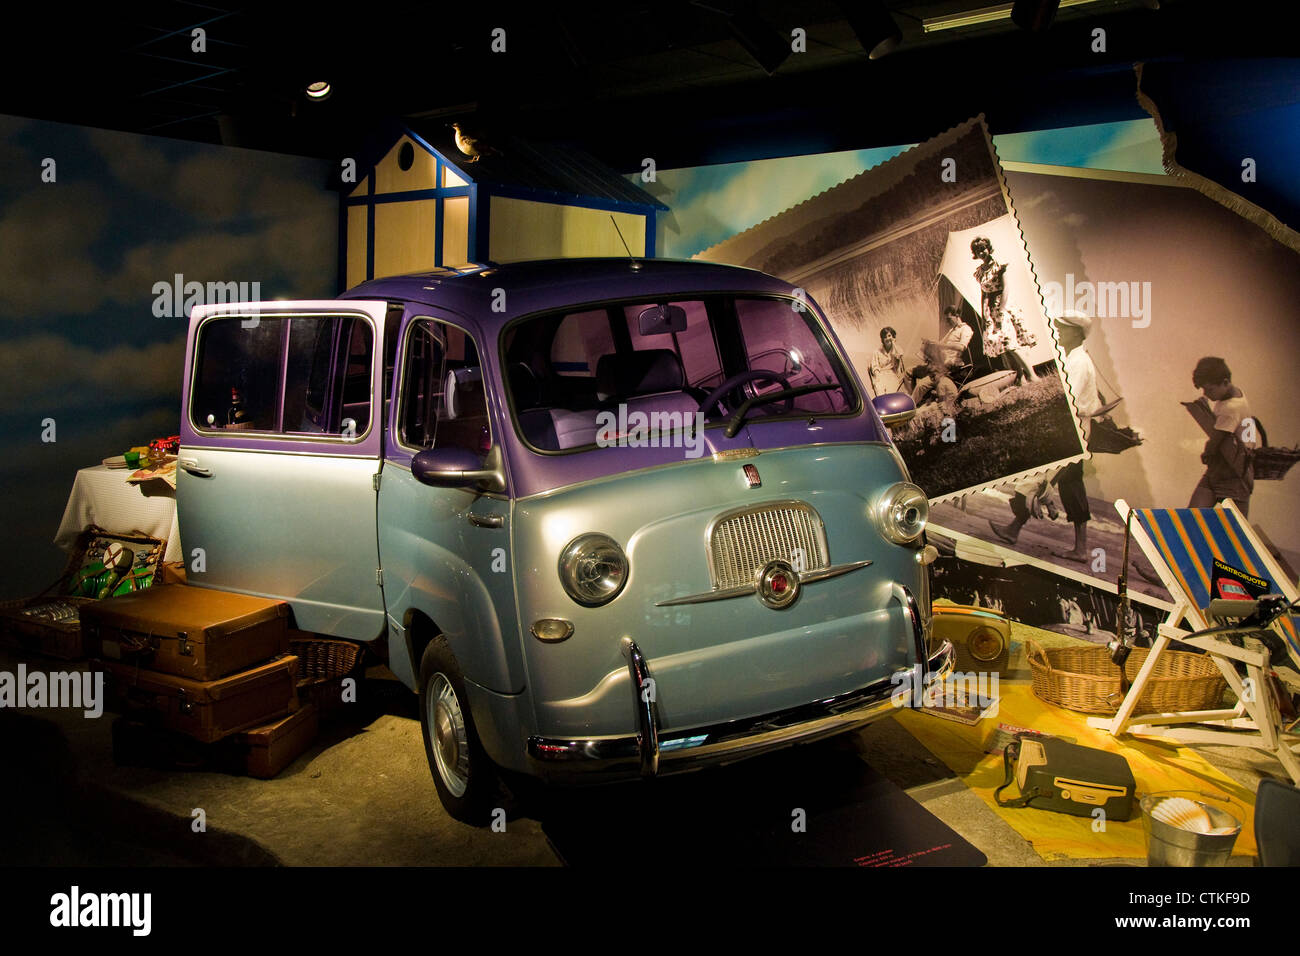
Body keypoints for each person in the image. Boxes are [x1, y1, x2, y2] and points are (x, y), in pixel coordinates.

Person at [989, 311, 1098, 560]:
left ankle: (1017, 529)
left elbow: (1068, 400)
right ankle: (1017, 530)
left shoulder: (1079, 362)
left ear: (1076, 333)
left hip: (1073, 434)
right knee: (1071, 486)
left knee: (1038, 482)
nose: (1057, 330)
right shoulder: (1075, 358)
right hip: (1075, 432)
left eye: (1063, 327)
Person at [1187, 356, 1258, 515]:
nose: (1206, 393)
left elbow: (1215, 442)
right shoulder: (1234, 394)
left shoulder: (1231, 408)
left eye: (1209, 389)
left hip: (1234, 474)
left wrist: (1206, 453)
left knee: (1235, 527)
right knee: (1193, 516)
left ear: (1225, 382)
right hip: (1220, 468)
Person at [971, 236, 1037, 386]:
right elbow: (984, 293)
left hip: (1003, 305)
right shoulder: (980, 272)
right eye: (978, 251)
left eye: (983, 249)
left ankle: (1032, 374)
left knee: (1010, 342)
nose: (981, 253)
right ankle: (1020, 377)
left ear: (988, 248)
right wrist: (984, 314)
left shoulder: (999, 265)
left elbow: (1006, 288)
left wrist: (1001, 309)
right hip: (990, 309)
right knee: (1002, 345)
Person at [911, 306, 970, 406]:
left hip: (950, 366)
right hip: (940, 364)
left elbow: (961, 347)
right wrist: (931, 343)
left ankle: (911, 406)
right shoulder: (952, 330)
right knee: (912, 373)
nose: (947, 322)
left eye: (949, 319)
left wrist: (941, 345)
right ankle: (913, 402)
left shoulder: (965, 329)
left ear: (957, 316)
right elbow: (940, 345)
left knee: (921, 385)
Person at [869, 326, 907, 395]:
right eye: (885, 337)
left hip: (892, 375)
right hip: (880, 374)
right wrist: (878, 377)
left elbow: (900, 354)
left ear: (893, 337)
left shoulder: (896, 350)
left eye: (889, 336)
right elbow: (875, 366)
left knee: (891, 394)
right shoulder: (877, 352)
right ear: (882, 339)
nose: (887, 338)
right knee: (880, 391)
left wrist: (894, 343)